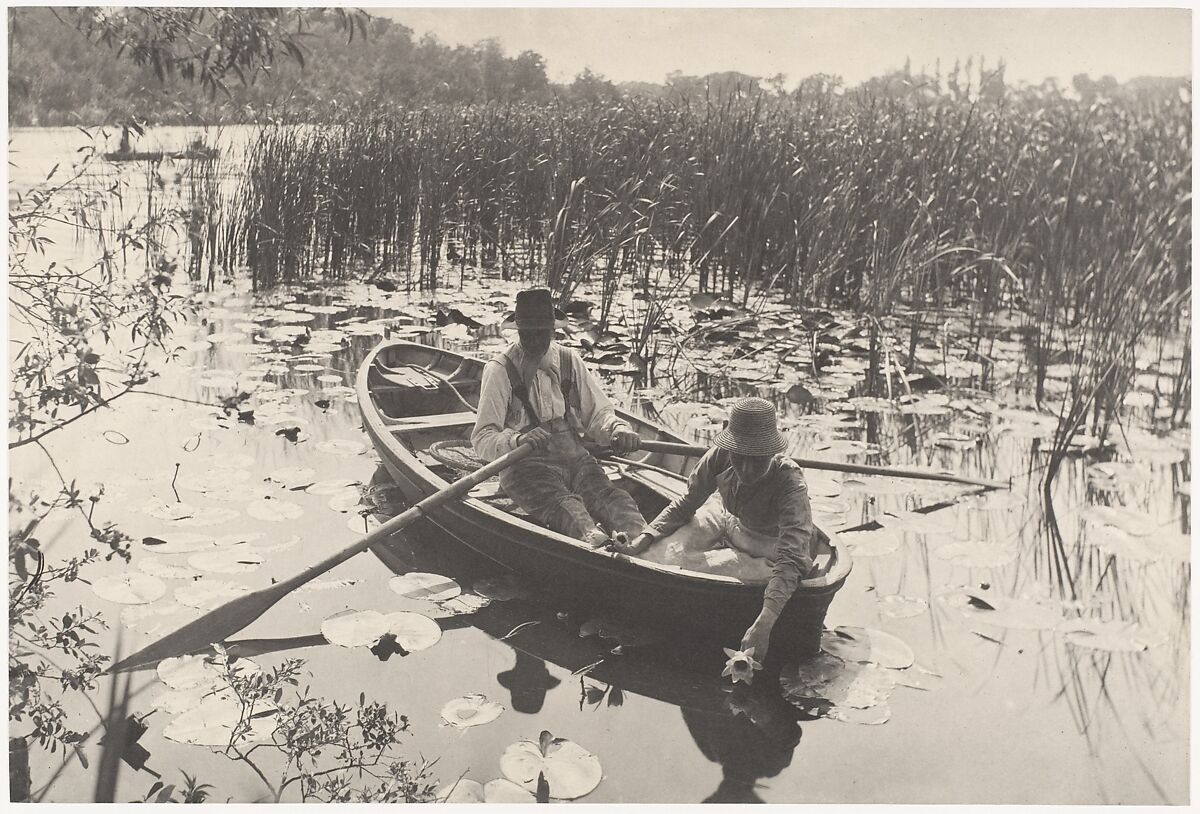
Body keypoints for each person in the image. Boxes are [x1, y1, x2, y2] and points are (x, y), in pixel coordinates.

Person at [613, 397, 827, 668]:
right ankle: (718, 561)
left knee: (762, 578)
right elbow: (686, 503)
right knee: (656, 556)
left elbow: (791, 558)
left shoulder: (790, 482)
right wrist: (642, 539)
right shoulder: (721, 454)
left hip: (769, 547)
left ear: (771, 452)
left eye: (757, 460)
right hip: (726, 518)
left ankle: (744, 568)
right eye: (740, 457)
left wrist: (763, 624)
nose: (746, 470)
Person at [472, 288, 651, 547]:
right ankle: (599, 549)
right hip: (526, 468)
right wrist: (518, 439)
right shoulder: (499, 370)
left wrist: (617, 429)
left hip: (576, 460)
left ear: (553, 330)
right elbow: (482, 439)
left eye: (541, 333)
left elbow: (598, 413)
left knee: (614, 499)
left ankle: (645, 546)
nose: (534, 341)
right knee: (569, 510)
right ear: (517, 330)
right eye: (527, 333)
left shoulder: (568, 360)